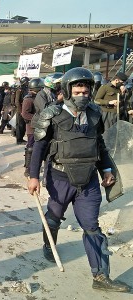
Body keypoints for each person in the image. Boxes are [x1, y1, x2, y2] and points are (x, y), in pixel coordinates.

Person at [27, 67, 130, 293]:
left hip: (88, 180)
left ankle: (101, 276)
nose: (82, 95)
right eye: (77, 90)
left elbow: (99, 145)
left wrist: (106, 169)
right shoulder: (51, 114)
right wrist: (33, 176)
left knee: (92, 227)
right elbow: (39, 148)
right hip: (59, 177)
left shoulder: (94, 114)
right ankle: (49, 243)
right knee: (53, 218)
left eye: (85, 91)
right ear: (67, 90)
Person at [21, 78, 43, 177]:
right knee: (31, 149)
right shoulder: (29, 99)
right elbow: (25, 114)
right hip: (32, 128)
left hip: (39, 127)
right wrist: (38, 118)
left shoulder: (38, 97)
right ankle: (28, 169)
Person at [13, 77, 29, 144]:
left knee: (23, 125)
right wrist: (21, 111)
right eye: (27, 82)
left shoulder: (26, 89)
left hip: (24, 109)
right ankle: (19, 140)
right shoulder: (19, 90)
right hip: (20, 110)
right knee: (20, 125)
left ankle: (21, 138)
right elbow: (17, 101)